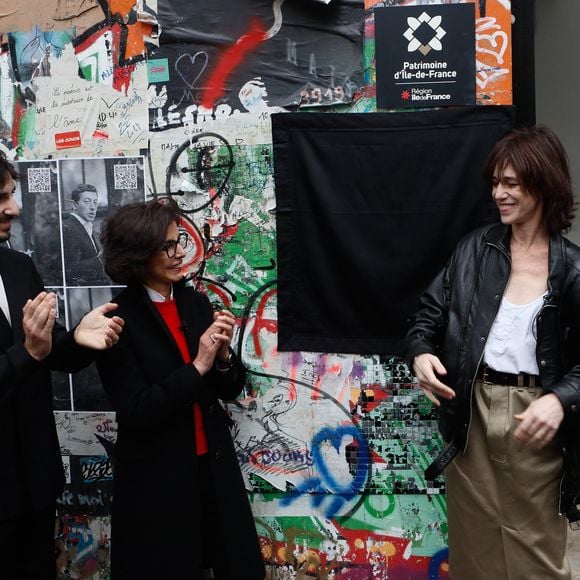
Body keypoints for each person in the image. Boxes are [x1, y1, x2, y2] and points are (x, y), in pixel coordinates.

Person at [404, 125, 580, 579]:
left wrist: (559, 399)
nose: (499, 193)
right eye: (495, 183)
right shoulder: (474, 251)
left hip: (534, 419)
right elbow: (426, 315)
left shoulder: (573, 269)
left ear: (542, 185)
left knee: (535, 554)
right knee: (475, 549)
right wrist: (421, 353)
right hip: (471, 412)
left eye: (511, 183)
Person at [97, 200, 265, 579]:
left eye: (180, 242)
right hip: (159, 478)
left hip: (212, 466)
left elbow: (228, 388)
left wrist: (222, 358)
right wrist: (199, 365)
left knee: (232, 562)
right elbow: (137, 410)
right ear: (139, 254)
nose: (179, 254)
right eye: (167, 246)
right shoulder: (116, 320)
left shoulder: (196, 303)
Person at [0, 152, 124, 579]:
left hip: (36, 482)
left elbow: (47, 347)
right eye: (2, 199)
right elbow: (30, 353)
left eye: (12, 196)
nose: (14, 209)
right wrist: (28, 354)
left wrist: (80, 338)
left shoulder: (17, 266)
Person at [62, 183, 108, 285]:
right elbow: (70, 271)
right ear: (74, 205)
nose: (92, 207)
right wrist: (100, 259)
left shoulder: (85, 226)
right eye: (87, 202)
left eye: (95, 202)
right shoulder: (70, 228)